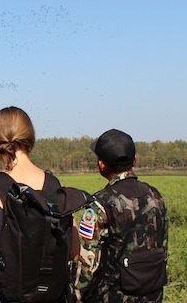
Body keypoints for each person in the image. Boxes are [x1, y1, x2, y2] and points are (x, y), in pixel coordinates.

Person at [0, 106, 67, 302]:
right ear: (31, 138)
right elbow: (72, 250)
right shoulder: (54, 184)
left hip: (3, 295)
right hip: (51, 295)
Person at [71, 129, 168, 302]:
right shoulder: (156, 196)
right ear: (135, 160)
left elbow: (87, 263)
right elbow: (163, 246)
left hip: (112, 296)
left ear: (101, 165)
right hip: (153, 295)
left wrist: (75, 295)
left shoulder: (99, 205)